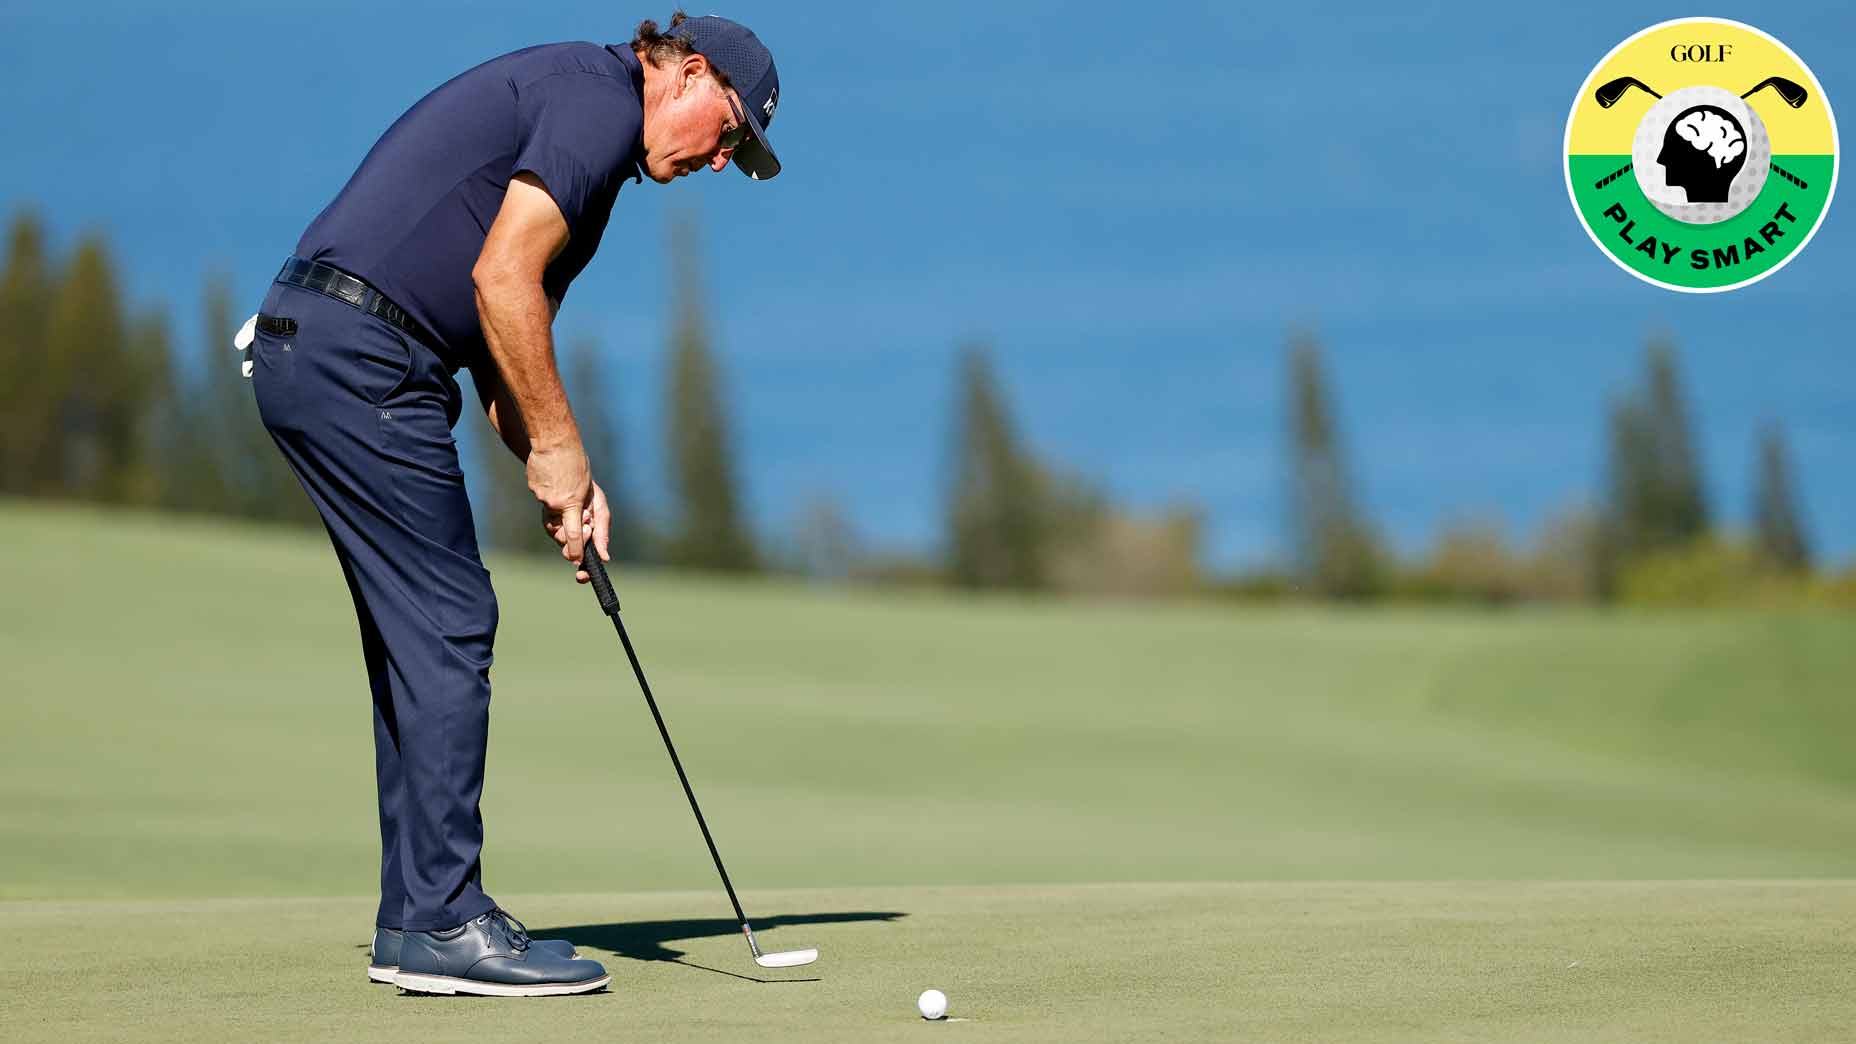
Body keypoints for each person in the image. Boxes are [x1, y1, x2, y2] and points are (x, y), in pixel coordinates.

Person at [243, 12, 782, 997]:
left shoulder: (592, 131)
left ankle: (412, 920)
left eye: (736, 152)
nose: (721, 158)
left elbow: (506, 352)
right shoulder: (594, 102)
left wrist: (565, 478)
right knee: (451, 625)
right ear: (690, 73)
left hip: (316, 347)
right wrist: (562, 453)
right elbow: (501, 282)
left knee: (416, 638)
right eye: (730, 130)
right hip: (363, 358)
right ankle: (448, 921)